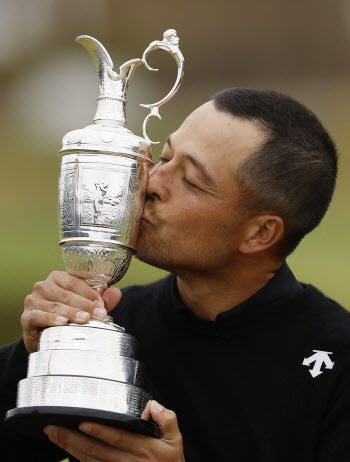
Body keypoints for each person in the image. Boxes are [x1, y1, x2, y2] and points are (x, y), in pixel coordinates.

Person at [1, 88, 349, 462]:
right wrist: (39, 358)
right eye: (164, 157)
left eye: (191, 180)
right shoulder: (112, 320)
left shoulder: (338, 364)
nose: (150, 183)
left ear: (260, 233)